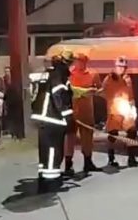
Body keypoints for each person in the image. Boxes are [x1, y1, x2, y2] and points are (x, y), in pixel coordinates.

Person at [31, 51, 74, 191]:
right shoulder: (59, 75)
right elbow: (59, 96)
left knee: (45, 151)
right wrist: (68, 116)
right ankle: (51, 181)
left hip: (44, 118)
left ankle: (44, 178)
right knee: (53, 151)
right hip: (53, 119)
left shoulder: (49, 73)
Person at [65, 53, 102, 176]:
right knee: (70, 138)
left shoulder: (93, 74)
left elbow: (99, 89)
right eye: (78, 61)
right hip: (72, 111)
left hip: (87, 112)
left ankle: (88, 162)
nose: (80, 63)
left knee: (87, 138)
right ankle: (68, 165)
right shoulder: (68, 74)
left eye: (82, 61)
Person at [100, 56, 138, 168]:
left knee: (132, 131)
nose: (122, 69)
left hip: (126, 109)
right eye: (120, 66)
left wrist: (133, 107)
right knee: (113, 134)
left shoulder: (127, 78)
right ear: (116, 66)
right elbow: (102, 92)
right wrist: (112, 101)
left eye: (124, 67)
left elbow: (130, 94)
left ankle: (131, 158)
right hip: (115, 110)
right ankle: (111, 159)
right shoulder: (109, 78)